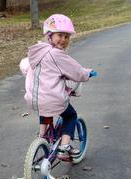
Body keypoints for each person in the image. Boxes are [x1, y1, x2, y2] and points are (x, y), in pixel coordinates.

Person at [20, 14, 97, 160]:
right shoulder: (57, 55)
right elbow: (76, 71)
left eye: (66, 37)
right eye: (60, 35)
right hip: (52, 99)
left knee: (44, 105)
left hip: (33, 98)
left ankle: (42, 136)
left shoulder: (37, 52)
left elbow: (25, 65)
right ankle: (64, 147)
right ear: (50, 36)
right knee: (70, 115)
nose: (63, 40)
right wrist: (88, 73)